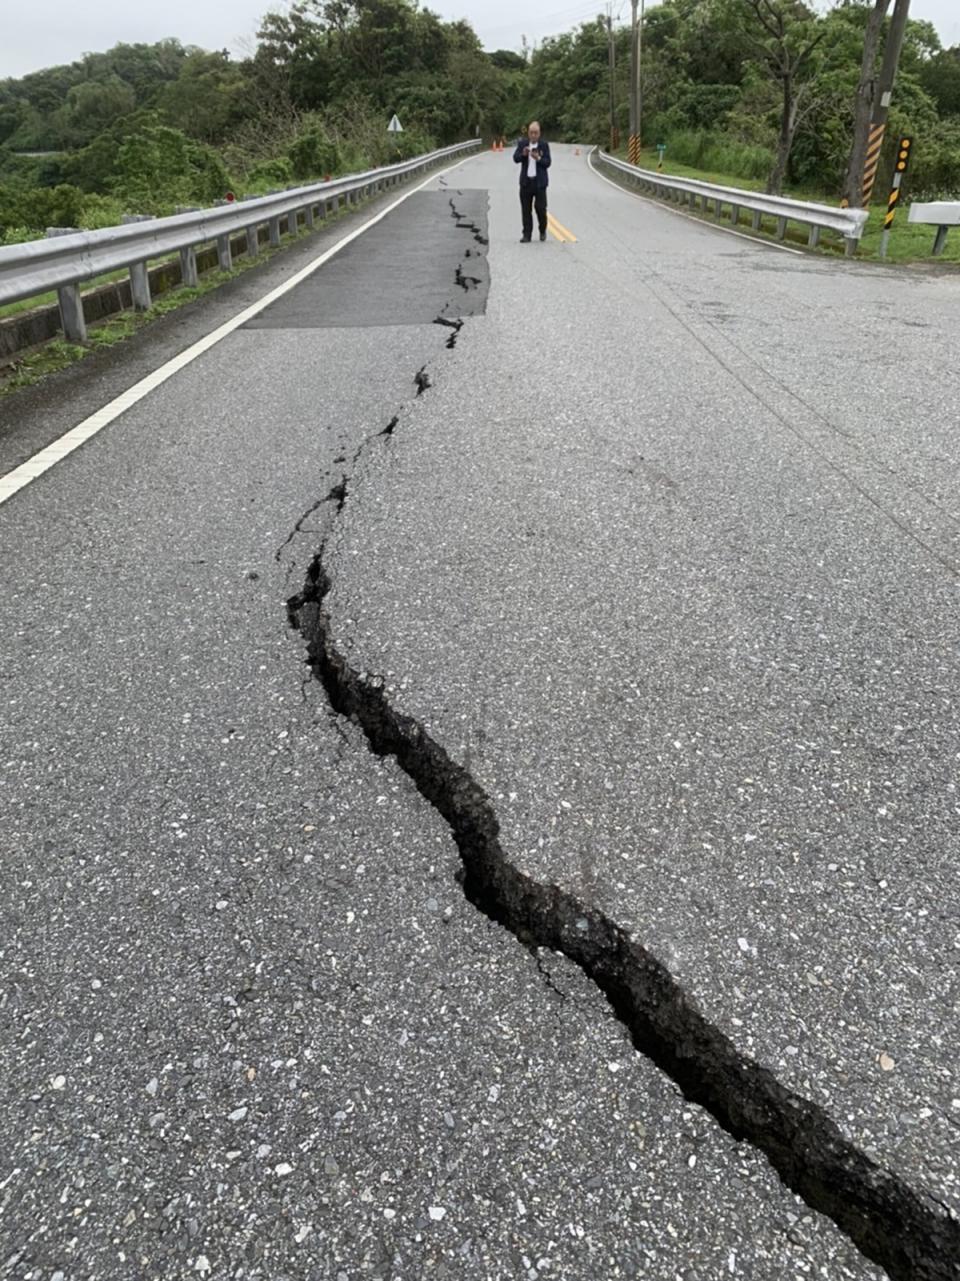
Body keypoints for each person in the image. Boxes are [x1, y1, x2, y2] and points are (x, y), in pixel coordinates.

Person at [513, 122, 551, 242]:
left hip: (539, 183)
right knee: (526, 209)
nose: (533, 135)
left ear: (539, 134)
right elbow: (515, 158)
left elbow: (548, 163)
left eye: (536, 133)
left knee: (540, 208)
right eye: (531, 133)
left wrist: (538, 158)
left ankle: (542, 230)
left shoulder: (544, 145)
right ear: (528, 133)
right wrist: (523, 154)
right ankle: (527, 234)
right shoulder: (523, 144)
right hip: (526, 182)